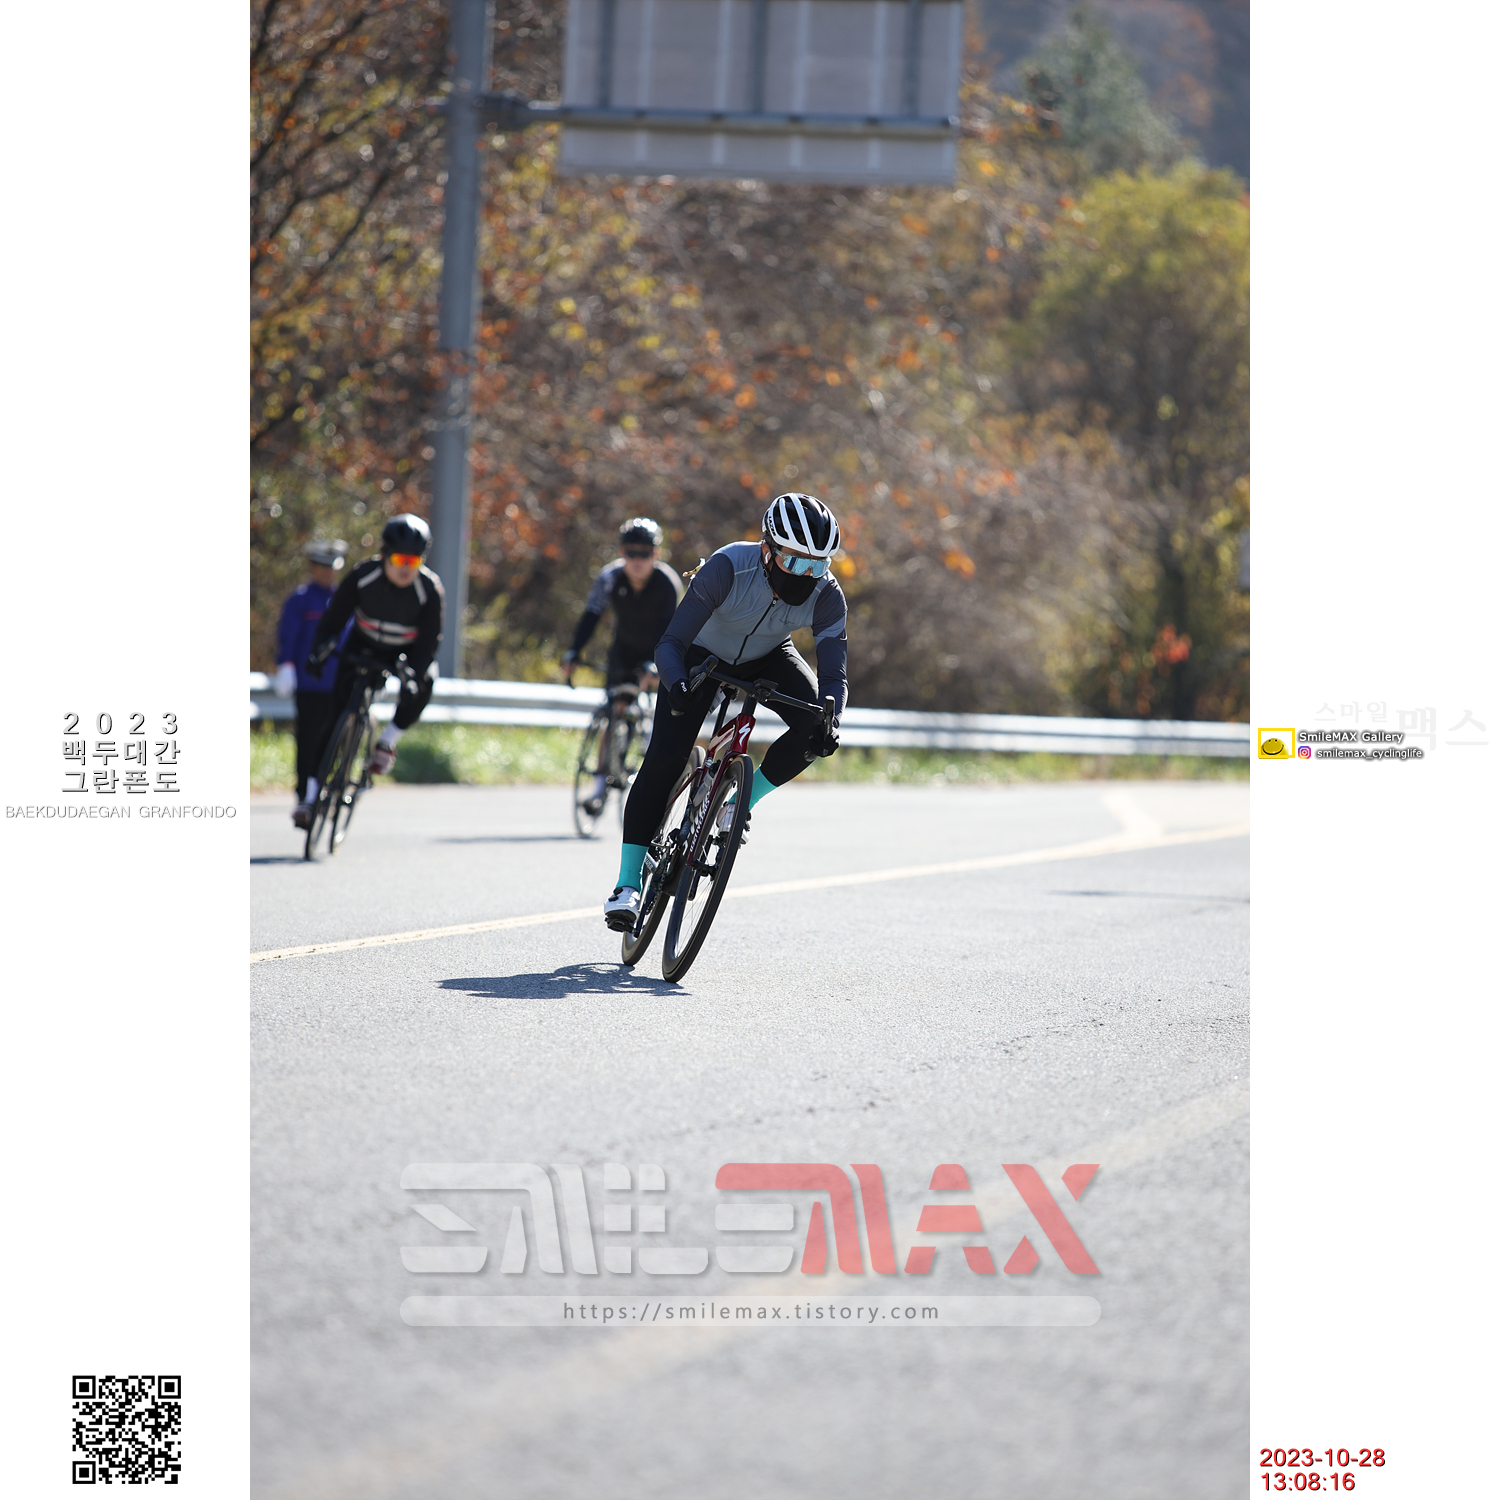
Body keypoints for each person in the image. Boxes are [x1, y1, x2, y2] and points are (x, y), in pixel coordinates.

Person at [603, 493, 846, 931]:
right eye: (796, 562)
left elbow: (834, 679)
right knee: (664, 759)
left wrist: (832, 721)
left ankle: (739, 803)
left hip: (769, 656)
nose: (806, 575)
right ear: (768, 549)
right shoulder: (729, 566)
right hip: (701, 655)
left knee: (815, 727)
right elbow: (670, 643)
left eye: (818, 565)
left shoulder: (827, 594)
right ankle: (626, 886)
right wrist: (677, 684)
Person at [294, 514, 444, 827]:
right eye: (400, 559)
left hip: (402, 652)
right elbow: (334, 620)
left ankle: (387, 741)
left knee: (428, 679)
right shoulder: (363, 575)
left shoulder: (429, 589)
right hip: (362, 646)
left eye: (414, 561)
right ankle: (310, 798)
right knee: (332, 718)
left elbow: (429, 643)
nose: (406, 568)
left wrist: (413, 677)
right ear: (385, 555)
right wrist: (320, 651)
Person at [561, 517, 683, 815]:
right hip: (622, 651)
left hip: (656, 650)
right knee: (614, 710)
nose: (637, 561)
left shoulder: (668, 583)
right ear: (621, 552)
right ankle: (599, 788)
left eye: (645, 554)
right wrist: (574, 651)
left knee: (642, 708)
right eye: (631, 553)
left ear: (655, 554)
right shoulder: (609, 577)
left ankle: (643, 750)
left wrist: (656, 664)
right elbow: (591, 615)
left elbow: (670, 629)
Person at [274, 538, 350, 817]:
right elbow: (289, 635)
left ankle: (327, 789)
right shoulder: (301, 599)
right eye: (322, 566)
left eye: (332, 567)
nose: (328, 572)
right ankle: (305, 795)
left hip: (339, 683)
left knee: (335, 740)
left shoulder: (345, 600)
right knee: (308, 740)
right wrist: (286, 666)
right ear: (311, 566)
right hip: (310, 683)